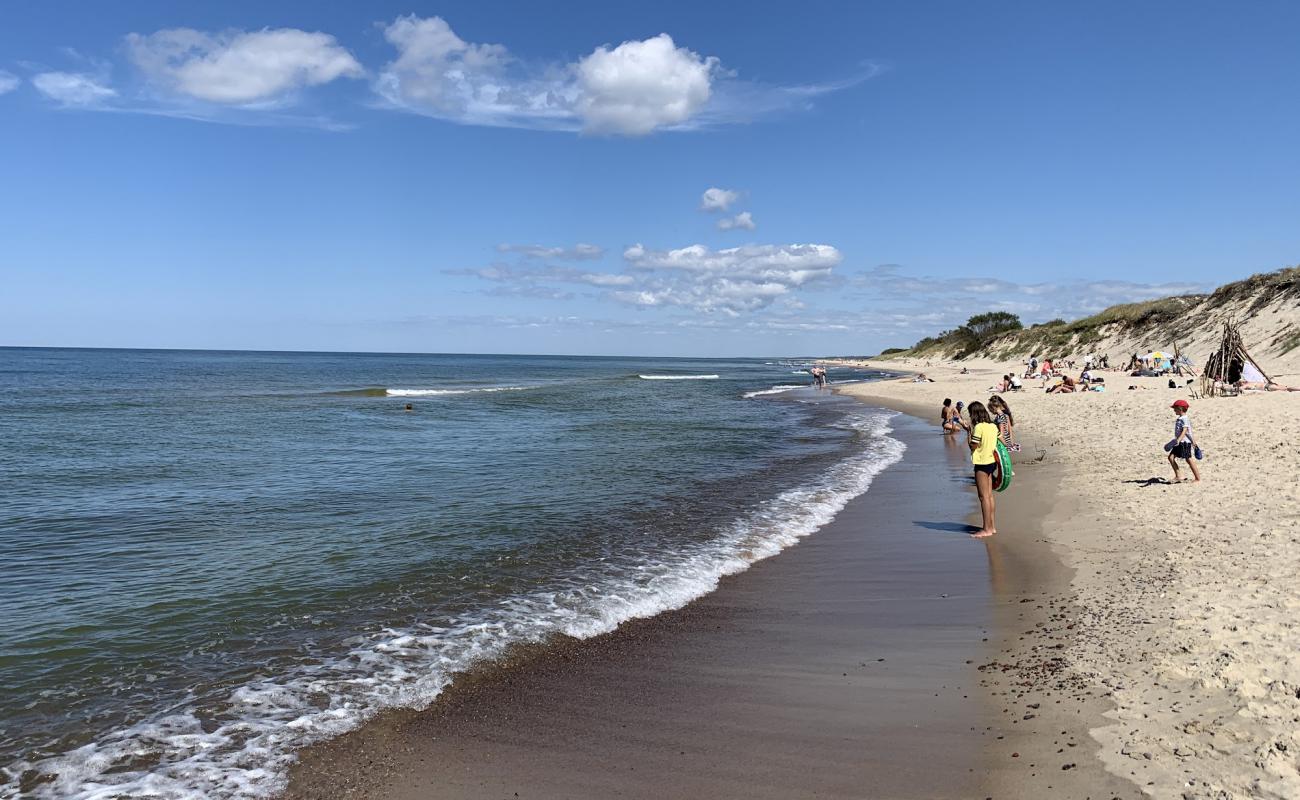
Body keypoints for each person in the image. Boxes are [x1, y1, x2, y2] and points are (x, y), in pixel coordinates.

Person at [967, 401, 999, 538]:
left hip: (982, 462)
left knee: (983, 497)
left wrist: (968, 432)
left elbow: (972, 446)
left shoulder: (979, 427)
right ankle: (992, 527)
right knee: (990, 496)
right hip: (991, 461)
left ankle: (986, 529)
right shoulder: (993, 426)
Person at [1164, 399, 1201, 482]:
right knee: (1171, 457)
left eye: (1175, 408)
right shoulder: (1181, 418)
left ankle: (1197, 478)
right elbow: (1188, 432)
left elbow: (1185, 430)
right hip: (1179, 442)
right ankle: (1178, 476)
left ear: (1180, 409)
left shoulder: (1184, 419)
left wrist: (1180, 440)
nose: (1174, 410)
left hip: (1184, 442)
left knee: (1189, 459)